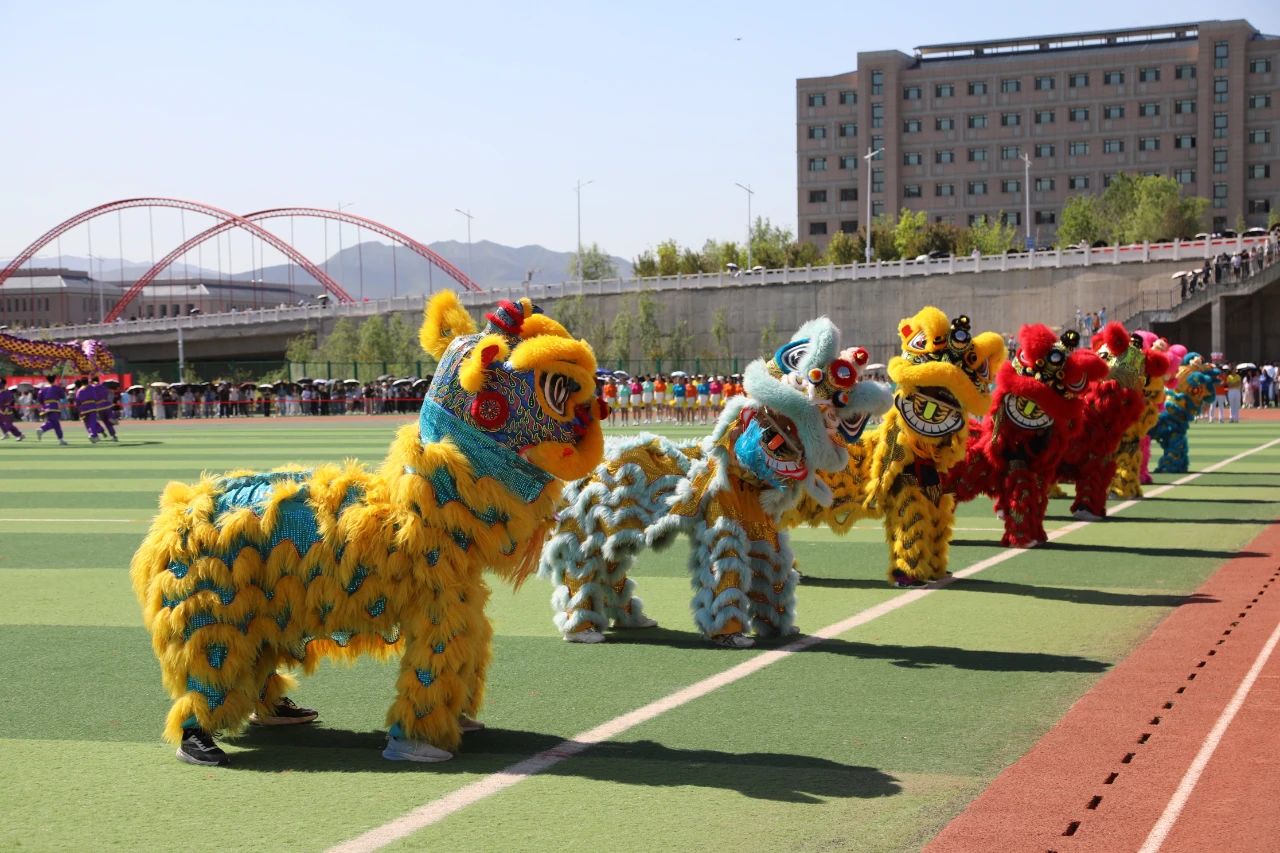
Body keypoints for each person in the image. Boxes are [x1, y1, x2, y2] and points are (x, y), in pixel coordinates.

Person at [35, 375, 69, 445]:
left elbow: (40, 399)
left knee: (56, 424)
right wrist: (61, 388)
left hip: (46, 407)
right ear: (54, 380)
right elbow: (62, 396)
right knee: (53, 422)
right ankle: (42, 429)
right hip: (54, 406)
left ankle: (61, 439)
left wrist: (44, 406)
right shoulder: (57, 388)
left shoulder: (43, 389)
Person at [74, 378, 102, 442]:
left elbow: (77, 401)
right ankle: (93, 434)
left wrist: (78, 409)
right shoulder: (92, 388)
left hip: (83, 409)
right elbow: (95, 397)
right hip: (92, 407)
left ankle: (92, 434)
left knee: (87, 423)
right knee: (92, 422)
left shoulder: (79, 390)